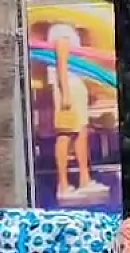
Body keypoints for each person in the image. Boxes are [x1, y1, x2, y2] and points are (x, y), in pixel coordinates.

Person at [44, 23, 108, 204]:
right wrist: (65, 93)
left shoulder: (71, 31)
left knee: (81, 131)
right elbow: (62, 62)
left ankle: (84, 180)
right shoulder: (62, 30)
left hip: (75, 84)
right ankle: (63, 185)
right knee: (65, 132)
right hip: (68, 86)